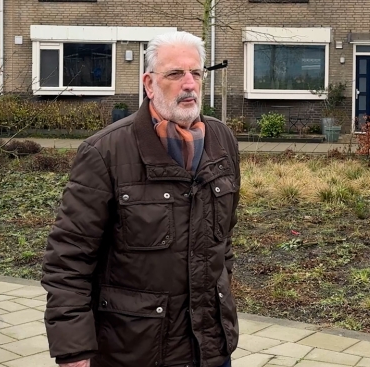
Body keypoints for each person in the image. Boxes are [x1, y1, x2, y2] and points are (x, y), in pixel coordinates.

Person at [42, 31, 240, 367]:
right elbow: (68, 258)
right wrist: (74, 349)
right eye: (175, 74)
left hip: (210, 348)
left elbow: (224, 241)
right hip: (133, 350)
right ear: (149, 84)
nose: (189, 84)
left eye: (196, 73)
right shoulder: (105, 152)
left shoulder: (223, 140)